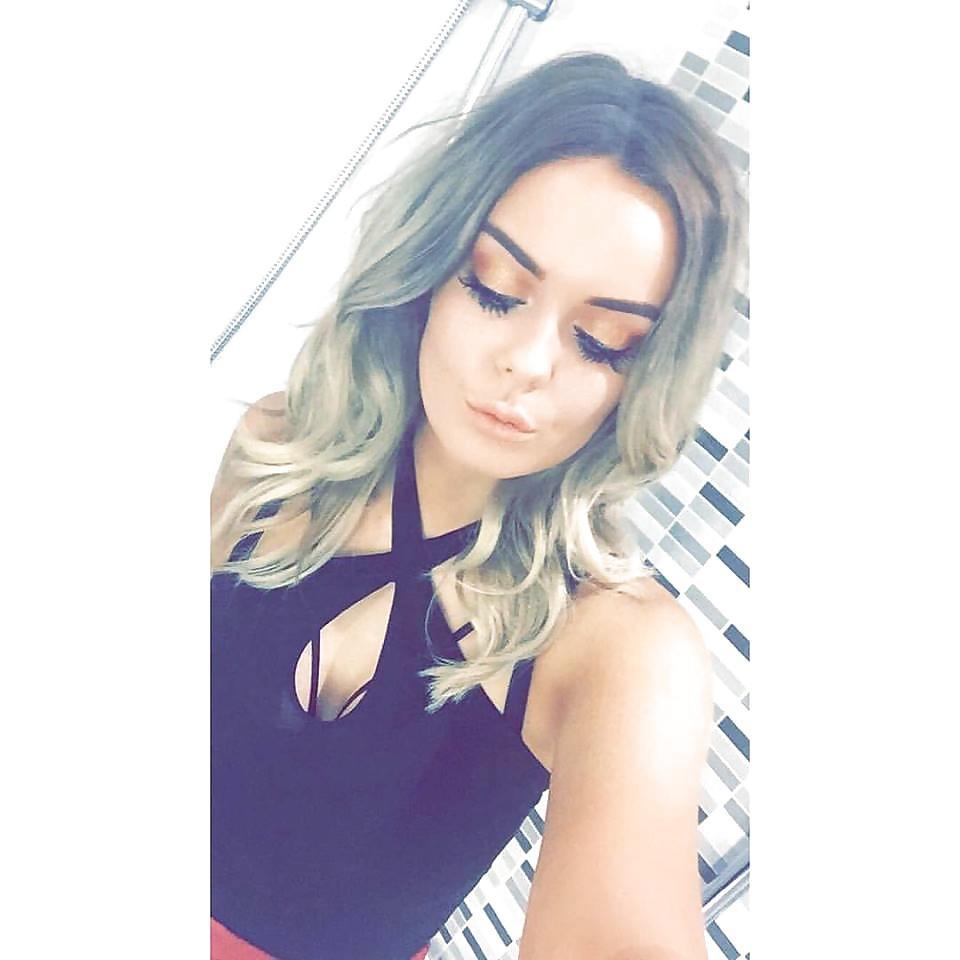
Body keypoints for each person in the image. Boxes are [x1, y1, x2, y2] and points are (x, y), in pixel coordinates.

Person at [210, 51, 745, 960]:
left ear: (644, 378)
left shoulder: (619, 650)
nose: (528, 364)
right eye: (495, 289)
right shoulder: (276, 452)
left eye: (603, 342)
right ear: (429, 268)